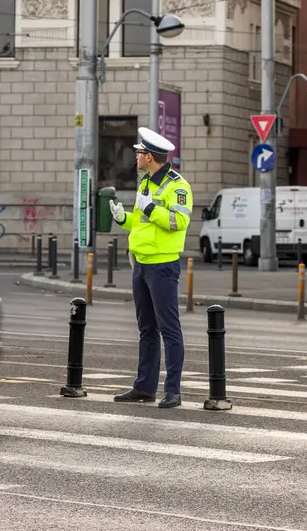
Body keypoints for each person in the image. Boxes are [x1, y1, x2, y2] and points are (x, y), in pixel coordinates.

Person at [109, 127, 193, 408]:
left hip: (162, 266)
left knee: (169, 329)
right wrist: (124, 218)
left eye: (139, 153)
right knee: (146, 329)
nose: (136, 157)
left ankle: (173, 390)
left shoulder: (177, 186)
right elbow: (143, 222)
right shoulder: (146, 184)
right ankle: (144, 387)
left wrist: (148, 209)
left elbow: (177, 222)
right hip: (141, 264)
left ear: (150, 156)